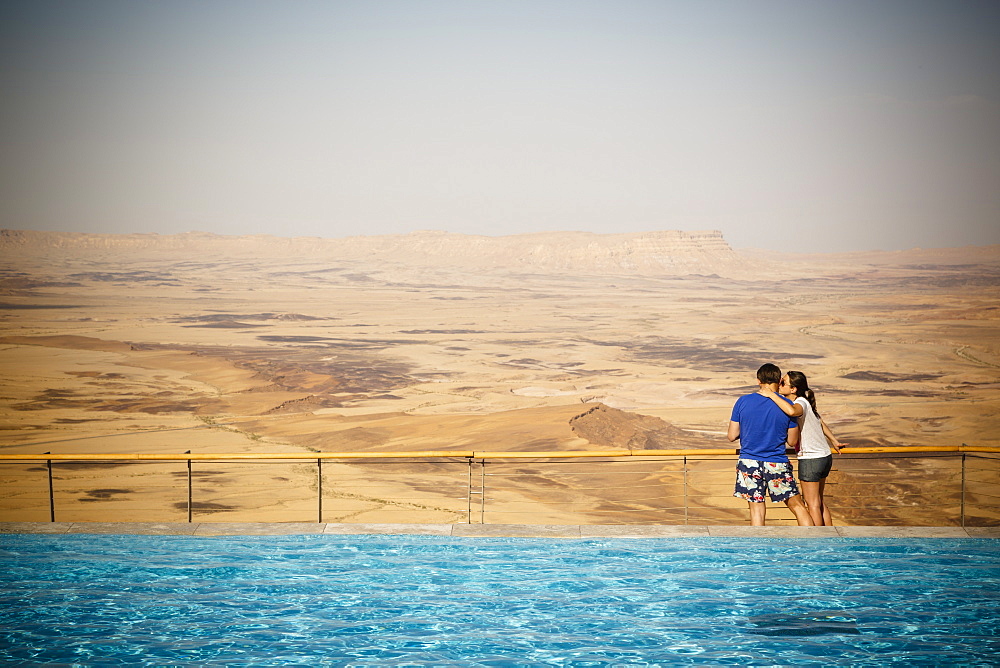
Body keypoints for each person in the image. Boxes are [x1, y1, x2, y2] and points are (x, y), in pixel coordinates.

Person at [727, 363, 814, 526]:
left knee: (756, 510)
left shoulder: (743, 401)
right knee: (798, 506)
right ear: (779, 381)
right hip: (777, 462)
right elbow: (792, 441)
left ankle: (758, 550)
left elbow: (731, 436)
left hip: (749, 462)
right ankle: (813, 545)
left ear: (758, 380)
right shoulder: (787, 405)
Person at [760, 370, 847, 526]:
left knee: (812, 503)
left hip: (811, 459)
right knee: (818, 501)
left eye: (783, 383)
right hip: (823, 456)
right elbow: (819, 421)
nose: (780, 385)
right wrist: (833, 440)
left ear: (793, 389)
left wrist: (771, 395)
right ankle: (829, 536)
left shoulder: (799, 403)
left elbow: (792, 411)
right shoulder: (806, 402)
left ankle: (817, 542)